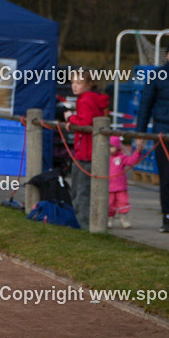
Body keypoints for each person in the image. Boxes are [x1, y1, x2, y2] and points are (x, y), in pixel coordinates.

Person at [135, 40, 169, 232]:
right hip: (163, 132)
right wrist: (140, 134)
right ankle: (168, 216)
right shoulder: (157, 76)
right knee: (167, 177)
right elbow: (145, 106)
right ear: (167, 55)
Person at [63, 70, 109, 228]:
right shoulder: (92, 98)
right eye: (73, 82)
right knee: (81, 189)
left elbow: (85, 122)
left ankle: (82, 224)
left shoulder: (86, 99)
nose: (74, 86)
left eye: (78, 83)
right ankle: (83, 222)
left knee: (81, 191)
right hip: (86, 151)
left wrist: (70, 118)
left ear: (89, 84)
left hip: (86, 153)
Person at [107, 136, 142, 228]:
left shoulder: (121, 157)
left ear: (117, 147)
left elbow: (131, 161)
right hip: (108, 187)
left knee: (123, 202)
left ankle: (123, 219)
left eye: (112, 146)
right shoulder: (104, 158)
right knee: (109, 204)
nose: (109, 149)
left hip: (120, 187)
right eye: (108, 146)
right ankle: (109, 219)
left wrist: (138, 151)